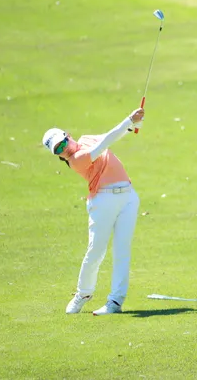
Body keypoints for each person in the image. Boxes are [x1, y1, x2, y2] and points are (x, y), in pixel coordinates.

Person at [42, 107, 145, 315]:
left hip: (128, 197)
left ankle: (115, 302)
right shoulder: (76, 160)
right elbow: (105, 142)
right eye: (58, 150)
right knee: (96, 251)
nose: (63, 149)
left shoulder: (86, 139)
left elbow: (113, 134)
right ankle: (83, 293)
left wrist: (134, 124)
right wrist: (129, 120)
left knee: (122, 250)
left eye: (63, 143)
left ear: (68, 136)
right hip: (103, 201)